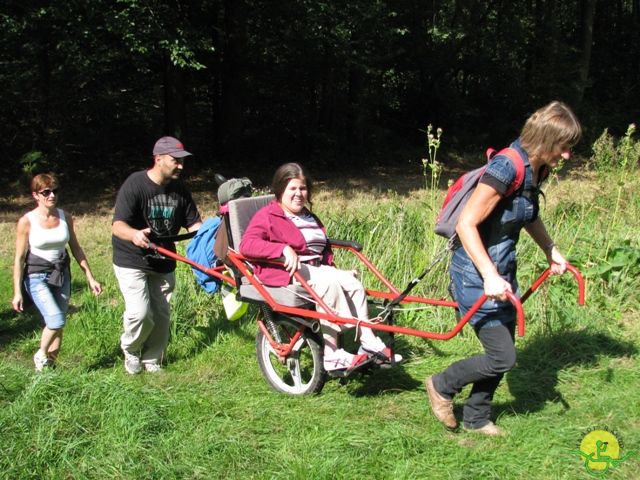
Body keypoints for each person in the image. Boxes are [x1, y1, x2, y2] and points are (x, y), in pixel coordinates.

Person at [425, 101, 582, 436]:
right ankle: (441, 385)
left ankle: (477, 417)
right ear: (544, 140)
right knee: (503, 356)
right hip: (475, 274)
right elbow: (467, 224)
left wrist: (551, 250)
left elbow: (529, 214)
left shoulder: (536, 168)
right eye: (564, 146)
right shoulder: (506, 168)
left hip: (502, 273)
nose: (567, 155)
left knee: (502, 349)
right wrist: (489, 275)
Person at [240, 162, 401, 373]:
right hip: (286, 271)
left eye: (303, 188)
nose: (299, 194)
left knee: (352, 283)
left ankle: (368, 339)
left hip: (316, 269)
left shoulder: (308, 216)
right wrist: (282, 249)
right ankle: (332, 354)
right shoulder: (268, 215)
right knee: (328, 282)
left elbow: (321, 250)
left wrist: (335, 270)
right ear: (280, 190)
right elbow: (247, 245)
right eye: (293, 189)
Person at [112, 136, 202, 374]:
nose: (181, 166)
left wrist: (210, 235)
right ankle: (131, 349)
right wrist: (133, 234)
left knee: (161, 315)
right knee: (140, 313)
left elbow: (194, 225)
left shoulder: (180, 190)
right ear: (158, 158)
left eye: (182, 161)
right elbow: (117, 225)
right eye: (176, 161)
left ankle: (152, 359)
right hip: (132, 258)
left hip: (164, 259)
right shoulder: (136, 184)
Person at [12, 173, 103, 371]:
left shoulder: (65, 217)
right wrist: (17, 292)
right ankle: (41, 354)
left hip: (61, 274)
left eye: (55, 191)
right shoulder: (26, 221)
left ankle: (49, 369)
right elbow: (19, 259)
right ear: (36, 195)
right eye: (46, 192)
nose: (52, 195)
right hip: (36, 276)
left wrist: (90, 277)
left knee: (58, 324)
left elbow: (76, 248)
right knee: (56, 319)